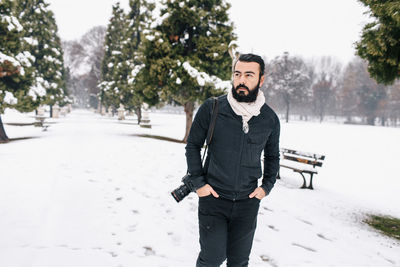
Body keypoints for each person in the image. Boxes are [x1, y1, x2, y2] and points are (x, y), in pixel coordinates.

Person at [185, 53, 280, 266]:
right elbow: (192, 145)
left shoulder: (269, 119)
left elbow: (273, 156)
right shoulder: (213, 108)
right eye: (237, 74)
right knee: (213, 258)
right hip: (214, 199)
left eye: (249, 75)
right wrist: (199, 184)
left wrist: (266, 187)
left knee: (239, 262)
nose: (241, 81)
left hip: (247, 204)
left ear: (261, 79)